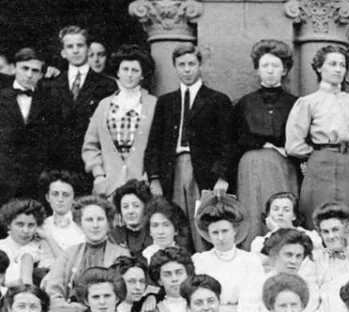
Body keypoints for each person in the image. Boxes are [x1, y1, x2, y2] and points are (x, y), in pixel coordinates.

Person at [144, 43, 237, 252]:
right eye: (181, 65)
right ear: (175, 67)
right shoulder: (166, 102)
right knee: (176, 220)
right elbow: (154, 144)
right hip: (173, 168)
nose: (187, 69)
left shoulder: (216, 100)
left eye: (191, 64)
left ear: (200, 65)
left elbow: (227, 143)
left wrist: (222, 177)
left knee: (202, 221)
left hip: (203, 170)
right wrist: (155, 178)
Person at [285, 44, 349, 227]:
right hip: (321, 164)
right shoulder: (308, 102)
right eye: (332, 64)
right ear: (319, 68)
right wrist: (320, 153)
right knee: (321, 213)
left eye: (342, 65)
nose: (338, 69)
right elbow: (294, 143)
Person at [232, 40, 300, 244]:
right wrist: (262, 144)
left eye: (275, 66)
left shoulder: (295, 103)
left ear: (284, 70)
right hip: (250, 165)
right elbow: (236, 137)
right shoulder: (244, 103)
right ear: (257, 70)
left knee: (281, 210)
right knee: (253, 211)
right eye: (265, 66)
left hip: (282, 164)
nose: (270, 71)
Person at [81, 45, 156, 196]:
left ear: (142, 75)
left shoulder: (153, 104)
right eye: (125, 69)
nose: (129, 75)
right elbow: (90, 144)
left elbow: (159, 146)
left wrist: (149, 177)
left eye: (135, 70)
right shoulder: (104, 105)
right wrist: (98, 175)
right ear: (118, 72)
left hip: (142, 184)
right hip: (109, 183)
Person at [47, 26, 117, 178]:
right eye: (70, 47)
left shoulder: (106, 85)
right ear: (63, 53)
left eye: (80, 45)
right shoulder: (51, 85)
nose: (75, 50)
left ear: (88, 48)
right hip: (59, 166)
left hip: (93, 165)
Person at [0, 48, 65, 202]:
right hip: (3, 180)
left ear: (41, 74)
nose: (29, 74)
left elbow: (54, 143)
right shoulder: (1, 97)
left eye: (35, 71)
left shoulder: (50, 102)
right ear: (15, 68)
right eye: (25, 68)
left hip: (35, 181)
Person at [192, 195, 263, 312]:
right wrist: (219, 311)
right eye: (215, 232)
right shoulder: (200, 261)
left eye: (225, 231)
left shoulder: (250, 261)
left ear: (235, 230)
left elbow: (255, 299)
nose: (220, 238)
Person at [0, 198, 62, 288]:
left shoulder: (43, 247)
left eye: (31, 225)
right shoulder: (1, 247)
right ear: (8, 225)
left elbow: (68, 265)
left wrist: (49, 238)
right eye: (20, 224)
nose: (25, 231)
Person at [41, 171, 86, 251]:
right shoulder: (43, 226)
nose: (60, 199)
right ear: (47, 197)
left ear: (74, 198)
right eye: (55, 194)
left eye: (66, 195)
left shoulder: (83, 226)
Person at [109, 179, 153, 258]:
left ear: (145, 207)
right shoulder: (114, 236)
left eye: (136, 206)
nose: (130, 211)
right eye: (125, 207)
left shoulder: (154, 233)